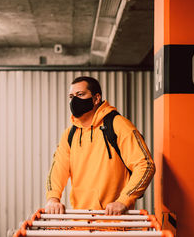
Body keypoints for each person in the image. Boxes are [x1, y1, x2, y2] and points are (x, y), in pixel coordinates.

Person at [45, 76, 155, 215]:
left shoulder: (118, 125)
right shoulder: (69, 135)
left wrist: (123, 200)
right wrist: (53, 198)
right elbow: (57, 170)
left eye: (80, 94)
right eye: (71, 96)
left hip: (114, 223)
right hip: (81, 222)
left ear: (96, 98)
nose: (74, 100)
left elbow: (145, 165)